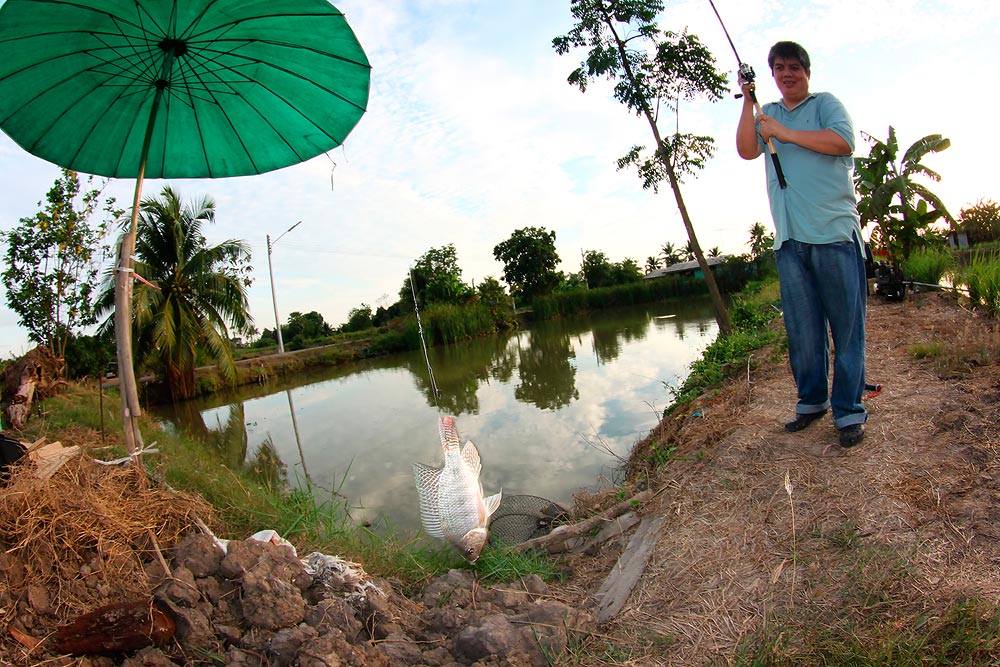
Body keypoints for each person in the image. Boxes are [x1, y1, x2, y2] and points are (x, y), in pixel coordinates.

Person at [735, 41, 867, 448]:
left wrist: (785, 134)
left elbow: (843, 143)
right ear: (772, 75)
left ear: (806, 72)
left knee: (846, 331)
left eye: (794, 67)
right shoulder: (766, 112)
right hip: (790, 238)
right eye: (779, 68)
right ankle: (811, 403)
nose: (787, 74)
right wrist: (748, 100)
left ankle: (848, 412)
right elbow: (745, 149)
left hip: (833, 234)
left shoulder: (825, 104)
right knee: (803, 332)